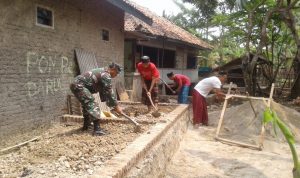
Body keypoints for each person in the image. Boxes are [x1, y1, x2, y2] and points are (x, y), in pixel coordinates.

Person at [70, 62, 123, 136]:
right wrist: (116, 106)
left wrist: (111, 105)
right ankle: (97, 130)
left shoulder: (103, 72)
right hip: (79, 86)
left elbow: (104, 92)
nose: (116, 75)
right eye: (116, 73)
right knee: (92, 104)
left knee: (87, 105)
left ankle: (86, 125)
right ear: (113, 70)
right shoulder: (106, 75)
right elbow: (109, 91)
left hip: (76, 84)